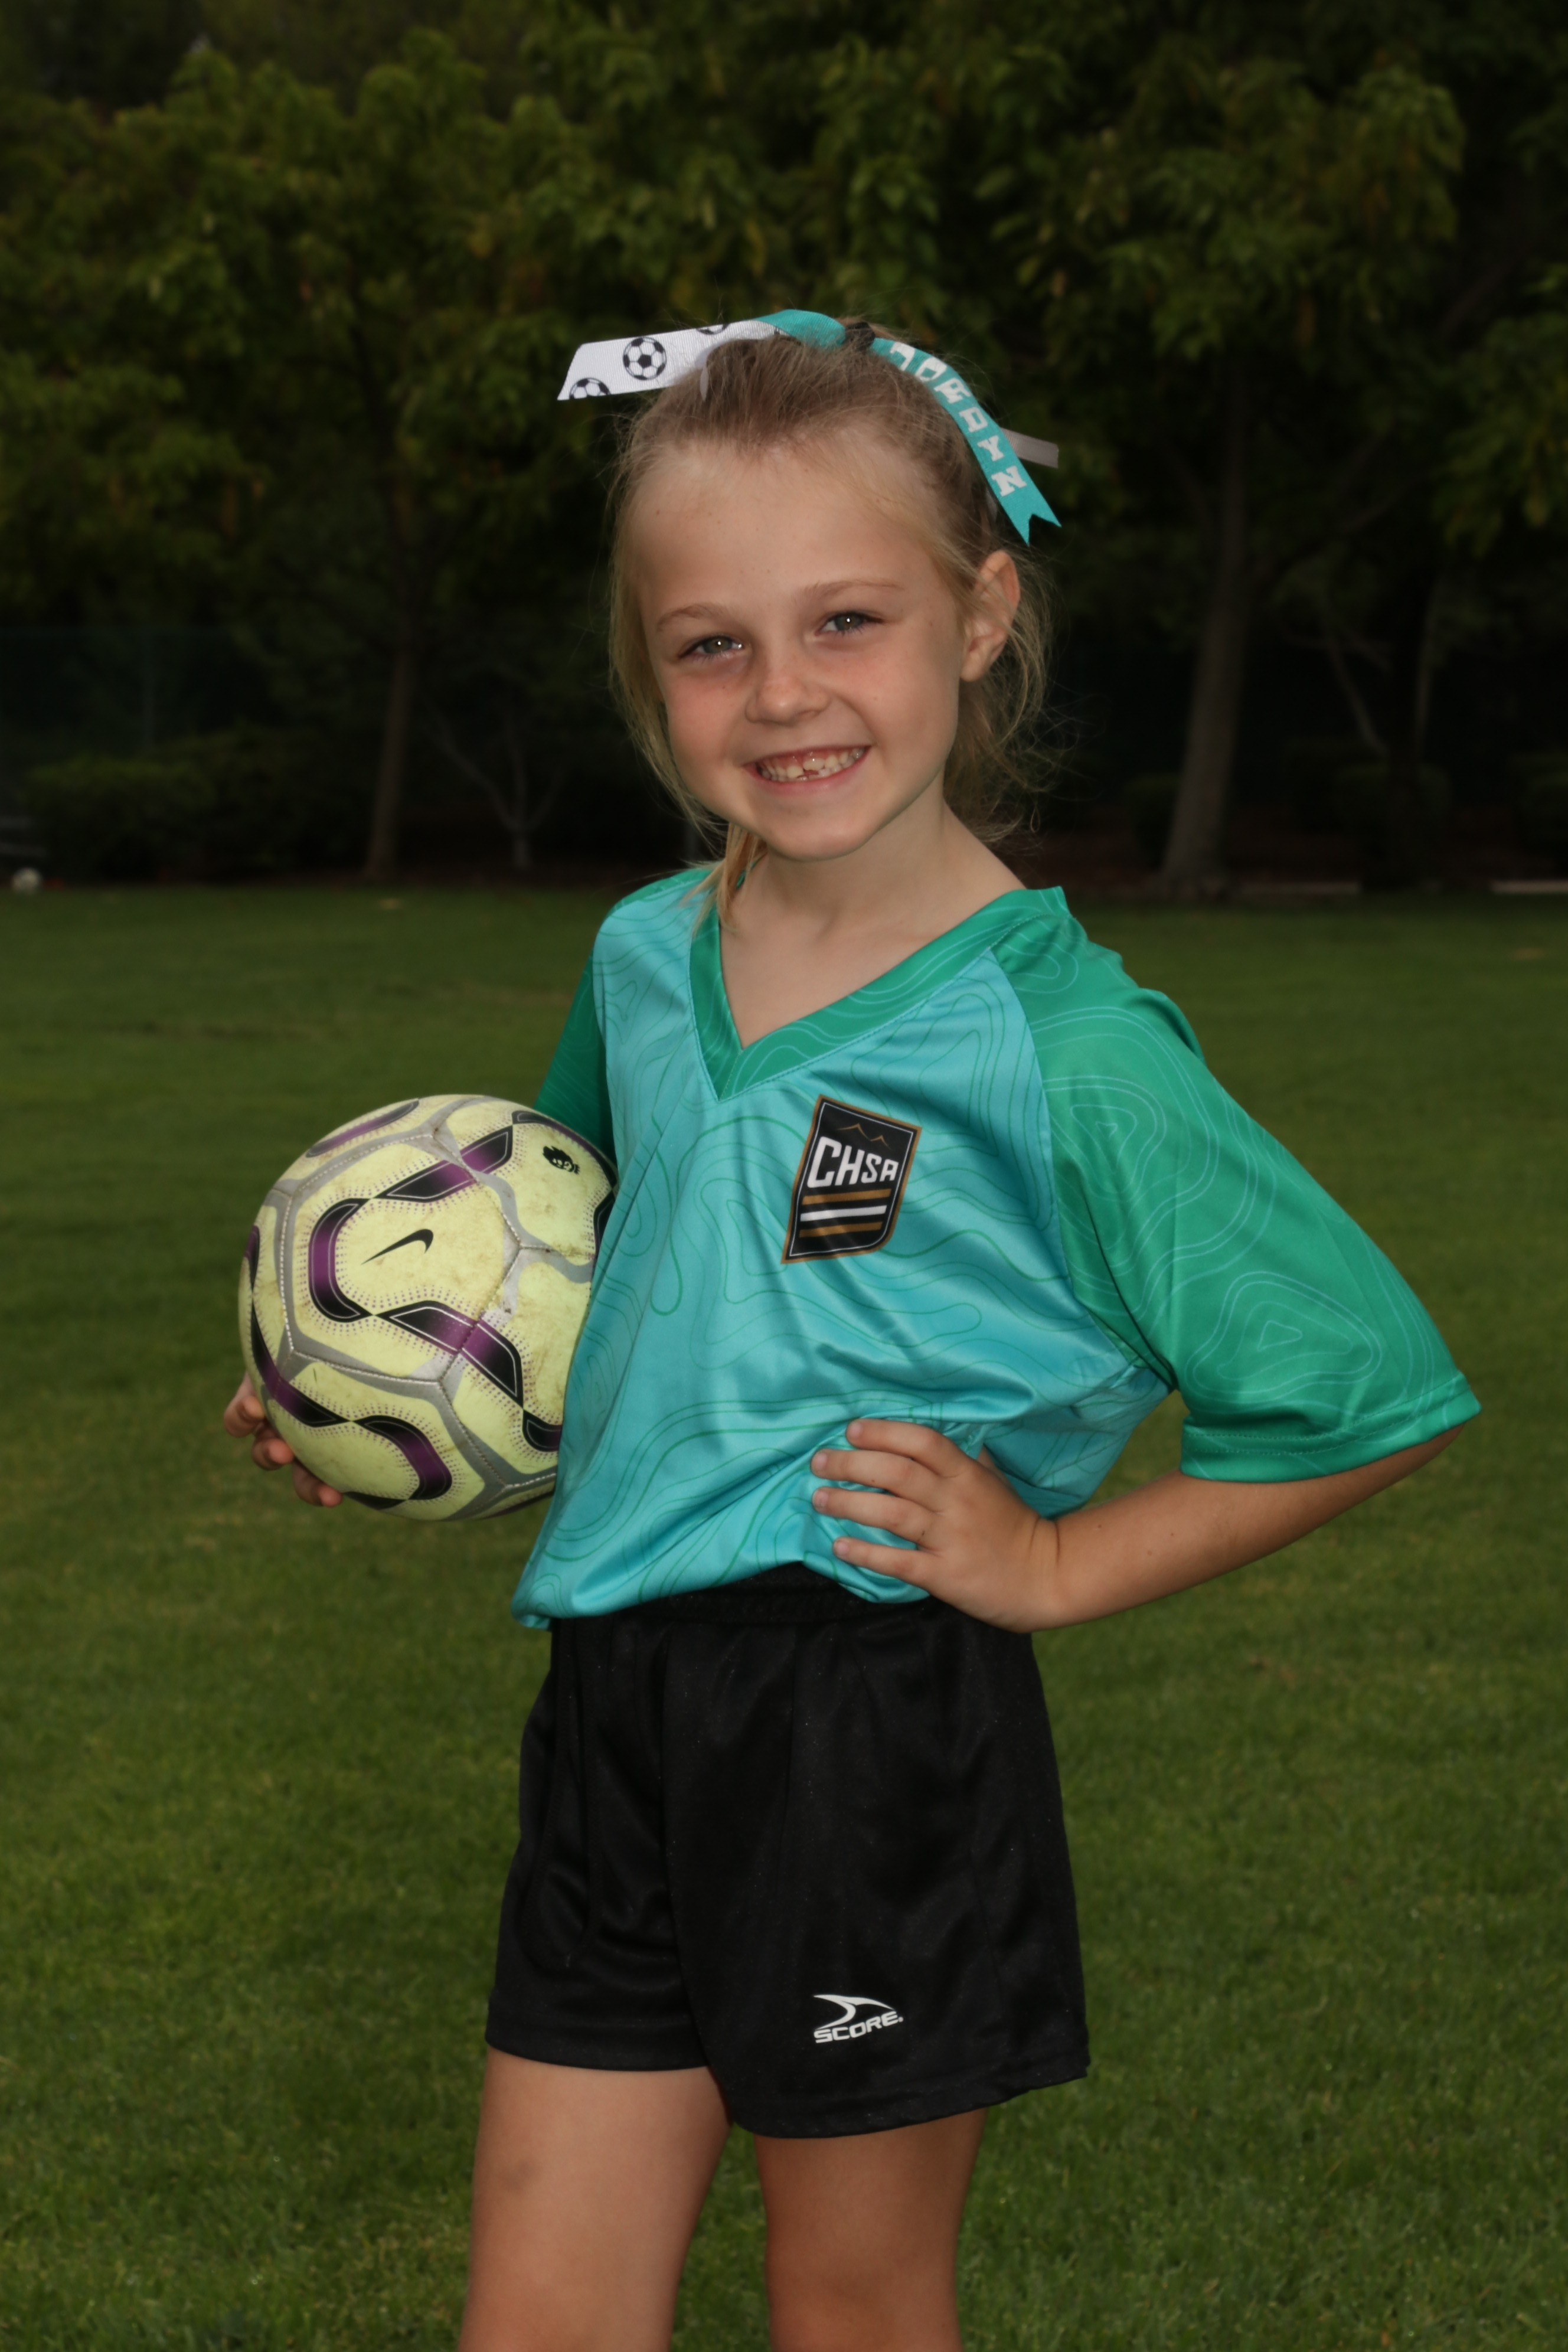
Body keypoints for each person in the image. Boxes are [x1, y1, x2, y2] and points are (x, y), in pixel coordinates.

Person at [224, 316, 1478, 2352]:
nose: (786, 694)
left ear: (981, 616)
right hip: (617, 1707)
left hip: (869, 1725)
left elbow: (1365, 1395)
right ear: (648, 668)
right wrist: (387, 1394)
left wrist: (1053, 1565)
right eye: (712, 644)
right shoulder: (648, 953)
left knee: (854, 2304)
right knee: (537, 2315)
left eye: (847, 621)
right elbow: (581, 1261)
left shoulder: (1066, 1053)